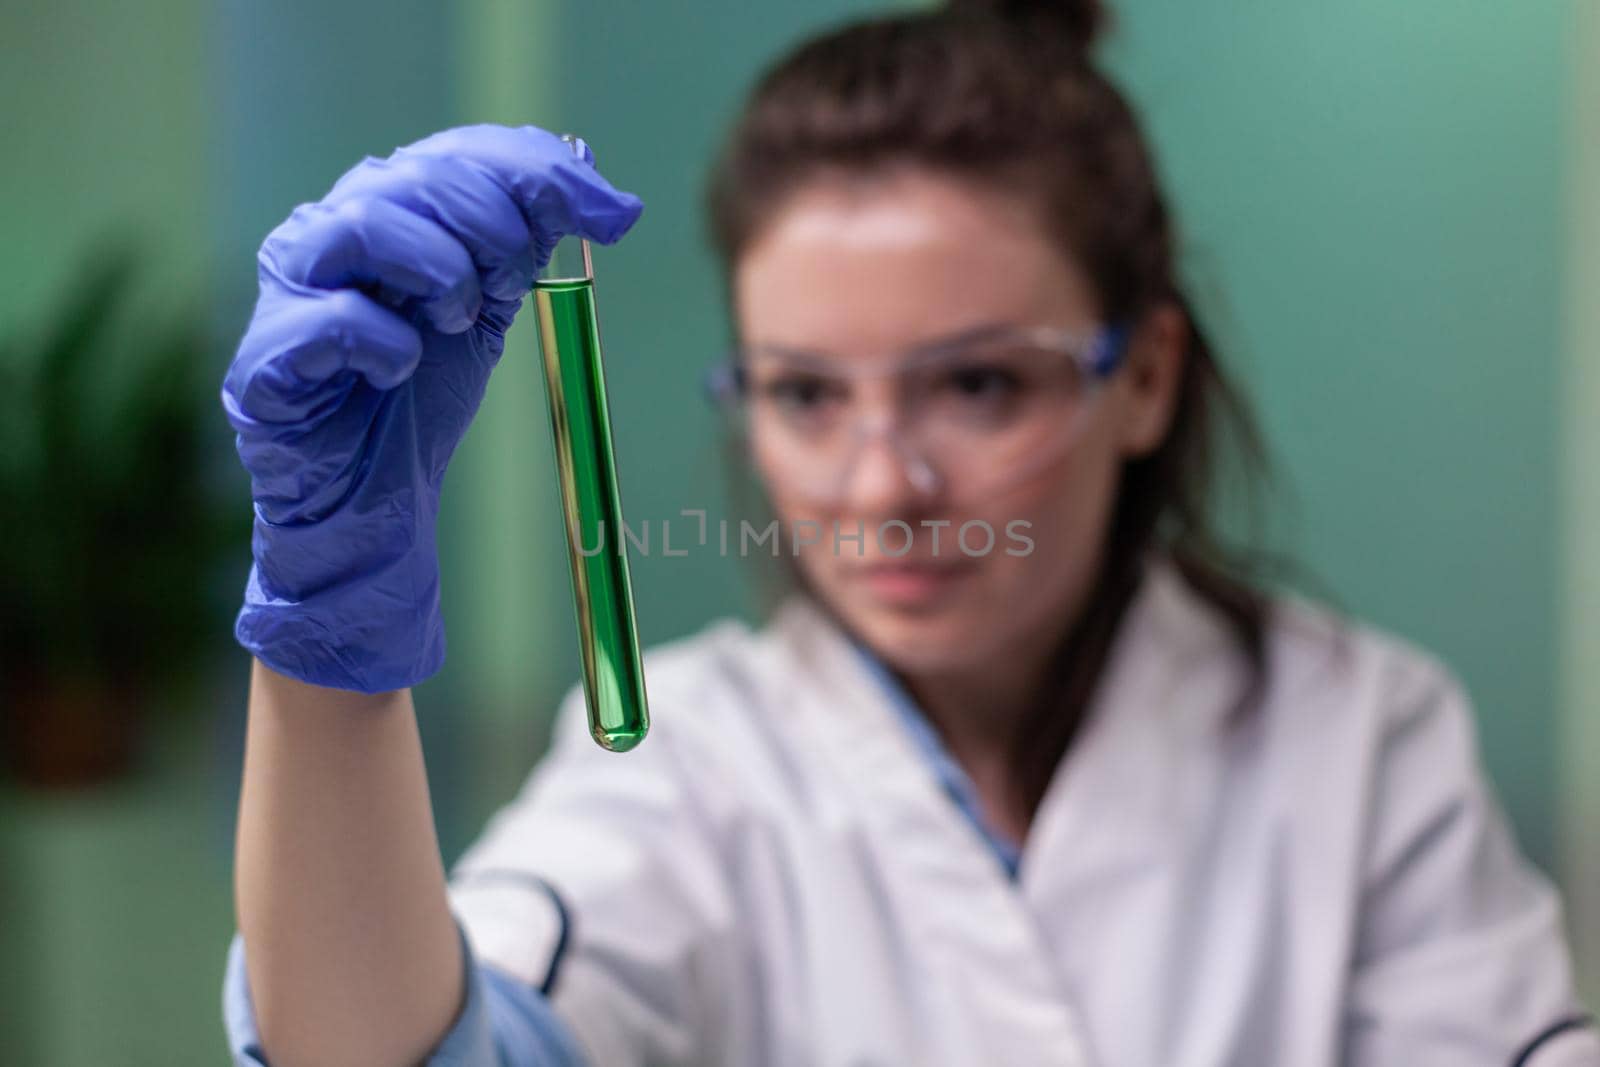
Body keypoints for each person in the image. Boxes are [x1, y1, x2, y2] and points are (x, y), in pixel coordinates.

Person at [218, 1, 1598, 1064]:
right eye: (807, 393)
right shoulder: (686, 756)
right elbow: (386, 1052)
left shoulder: (1357, 739)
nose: (883, 488)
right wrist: (330, 656)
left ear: (1147, 377)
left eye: (981, 382)